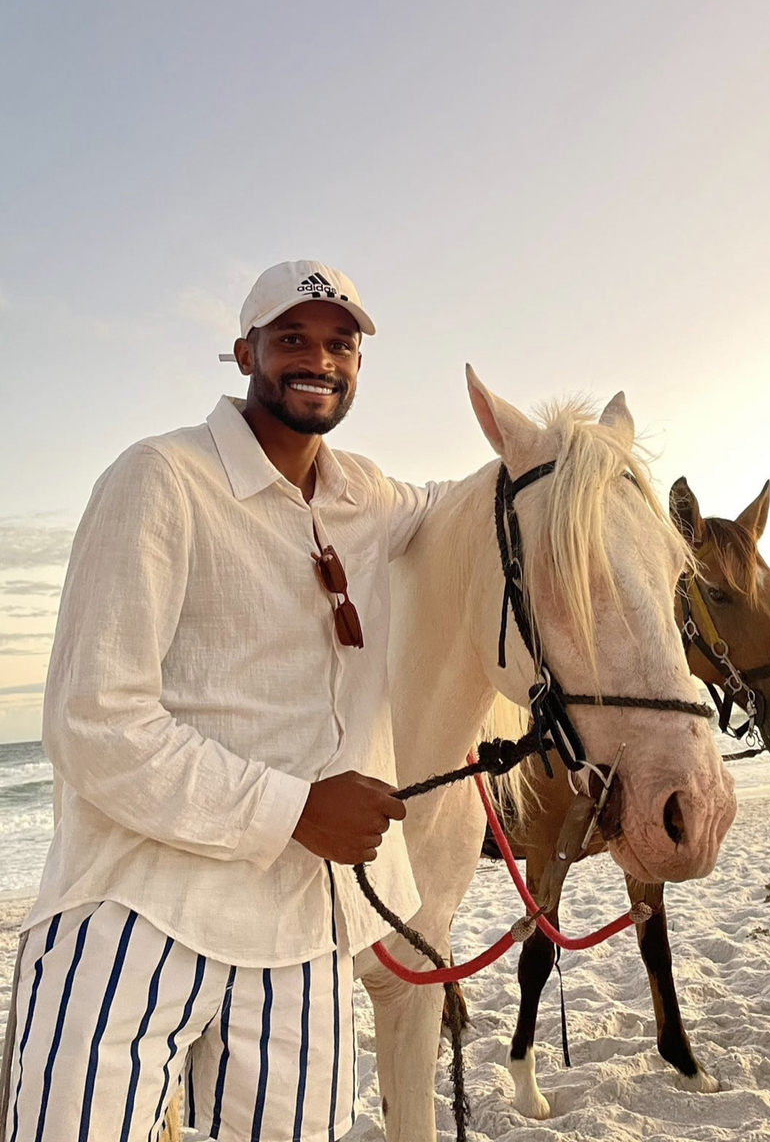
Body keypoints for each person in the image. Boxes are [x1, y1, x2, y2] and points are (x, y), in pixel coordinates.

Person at [2, 261, 449, 1142]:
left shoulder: (371, 497)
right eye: (292, 339)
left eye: (340, 343)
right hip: (133, 908)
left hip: (301, 933)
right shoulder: (159, 479)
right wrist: (296, 810)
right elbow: (94, 722)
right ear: (244, 351)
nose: (318, 359)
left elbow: (475, 509)